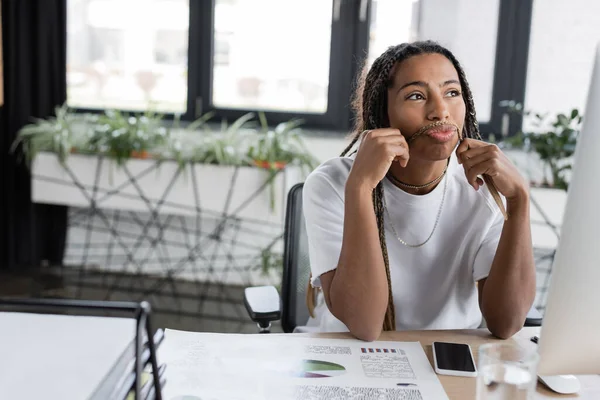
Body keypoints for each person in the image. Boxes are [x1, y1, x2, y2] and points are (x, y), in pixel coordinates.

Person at [302, 41, 536, 341]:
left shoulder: (484, 186)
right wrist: (360, 188)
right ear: (383, 114)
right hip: (350, 355)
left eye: (452, 93)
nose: (440, 111)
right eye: (416, 96)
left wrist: (519, 202)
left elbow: (507, 323)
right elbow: (365, 326)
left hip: (448, 355)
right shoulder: (332, 184)